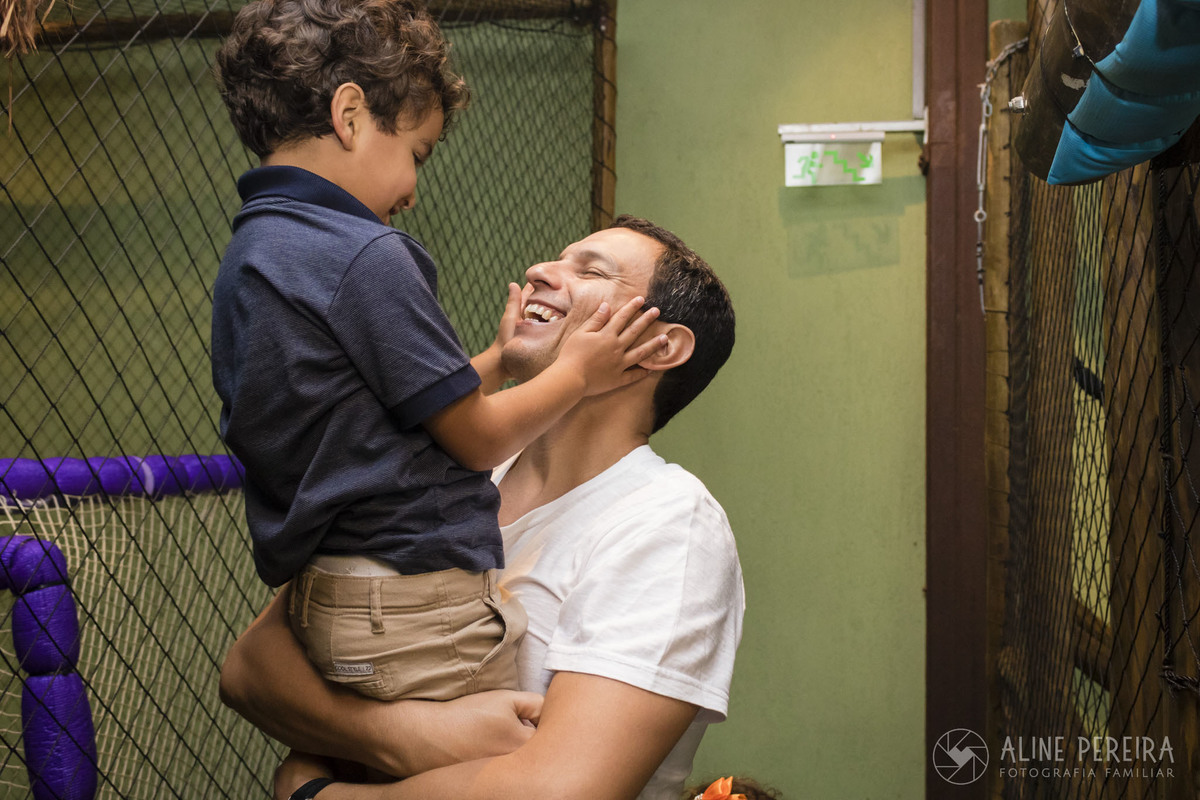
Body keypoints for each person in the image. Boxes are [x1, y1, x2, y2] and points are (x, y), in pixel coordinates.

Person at [210, 0, 665, 705]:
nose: (413, 192)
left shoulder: (259, 250)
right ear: (350, 113)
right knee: (502, 752)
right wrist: (578, 371)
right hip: (414, 600)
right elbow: (478, 439)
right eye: (415, 155)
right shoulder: (365, 253)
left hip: (333, 591)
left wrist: (497, 362)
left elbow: (381, 409)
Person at [219, 215, 744, 800]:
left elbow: (556, 791)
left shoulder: (669, 522)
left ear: (658, 345)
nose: (539, 271)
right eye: (557, 258)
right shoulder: (449, 467)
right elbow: (251, 670)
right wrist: (408, 734)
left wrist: (318, 794)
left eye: (591, 270)